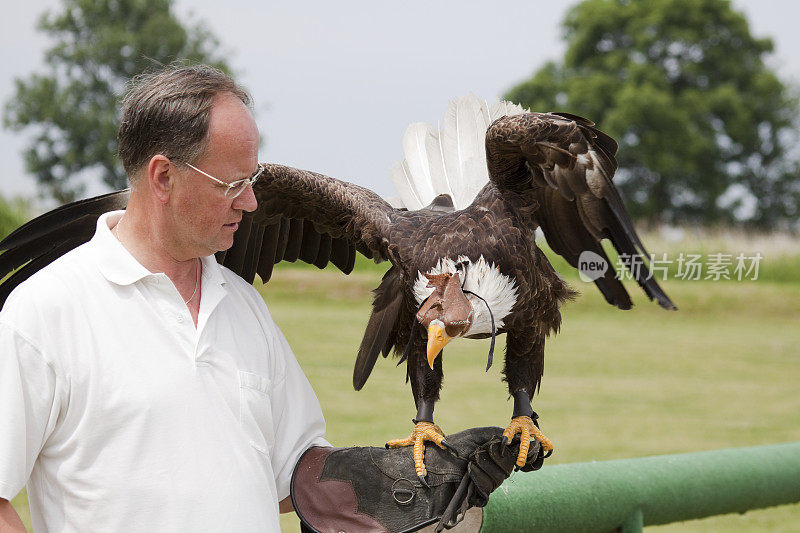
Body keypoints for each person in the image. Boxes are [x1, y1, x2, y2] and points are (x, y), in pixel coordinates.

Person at [0, 65, 329, 532]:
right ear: (162, 178)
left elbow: (292, 475)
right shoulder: (45, 313)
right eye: (232, 185)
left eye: (251, 180)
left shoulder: (245, 307)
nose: (252, 202)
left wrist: (401, 477)